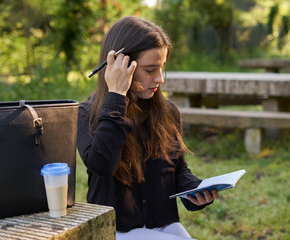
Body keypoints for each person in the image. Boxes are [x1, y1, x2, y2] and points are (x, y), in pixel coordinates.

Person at [77, 16, 219, 240]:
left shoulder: (168, 111)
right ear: (121, 65)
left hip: (162, 226)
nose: (159, 79)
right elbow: (103, 165)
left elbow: (178, 169)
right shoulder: (87, 113)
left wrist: (196, 190)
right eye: (151, 70)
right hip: (114, 231)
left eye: (161, 68)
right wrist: (116, 96)